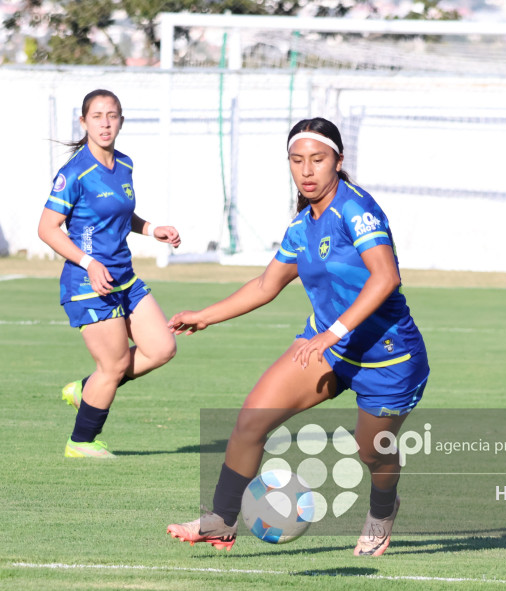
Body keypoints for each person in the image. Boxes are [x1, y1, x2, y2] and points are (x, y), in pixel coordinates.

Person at [166, 117, 429, 556]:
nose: (307, 170)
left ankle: (382, 511)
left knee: (373, 453)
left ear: (339, 162)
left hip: (388, 357)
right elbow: (267, 285)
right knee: (251, 420)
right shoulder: (302, 225)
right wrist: (206, 316)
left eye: (318, 159)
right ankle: (222, 518)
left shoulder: (356, 210)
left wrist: (333, 332)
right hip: (326, 347)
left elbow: (385, 278)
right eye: (297, 160)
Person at [38, 89, 181, 459]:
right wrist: (88, 262)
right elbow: (48, 228)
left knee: (163, 348)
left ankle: (86, 389)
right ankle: (80, 443)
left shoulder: (126, 164)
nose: (105, 123)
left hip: (125, 278)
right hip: (89, 283)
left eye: (112, 115)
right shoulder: (74, 173)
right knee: (114, 365)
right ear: (83, 122)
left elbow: (120, 213)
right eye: (97, 116)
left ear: (120, 120)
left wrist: (151, 229)